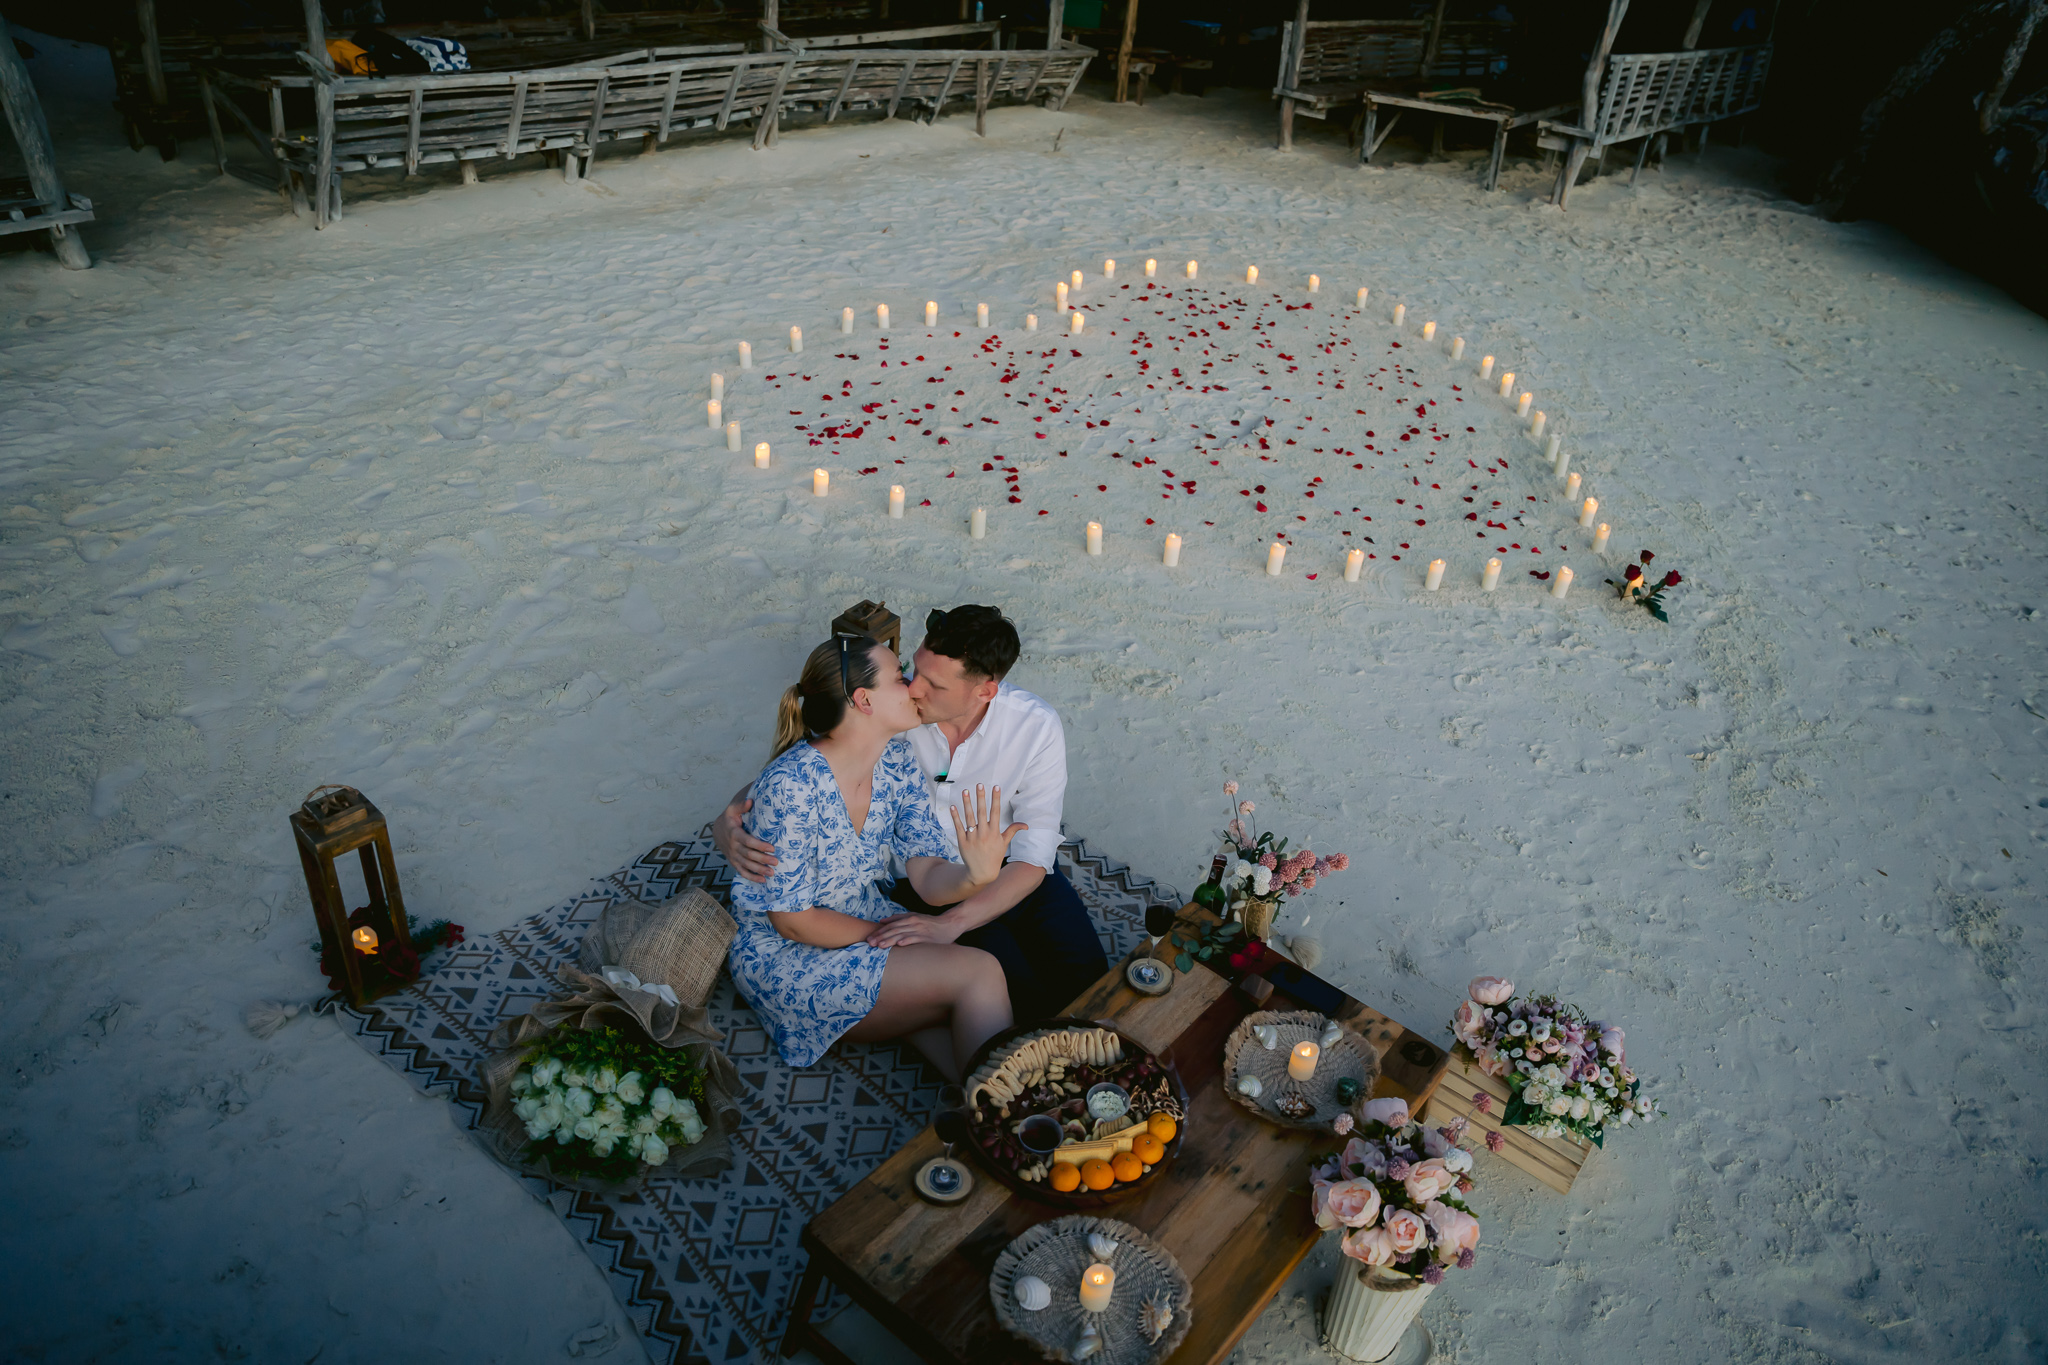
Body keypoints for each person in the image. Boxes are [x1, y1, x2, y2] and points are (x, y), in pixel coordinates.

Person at [717, 606, 1107, 1023]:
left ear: (984, 692)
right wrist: (727, 821)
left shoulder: (1034, 727)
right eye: (911, 670)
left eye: (933, 684)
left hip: (1010, 874)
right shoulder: (892, 717)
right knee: (1027, 1004)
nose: (915, 688)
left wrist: (965, 905)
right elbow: (810, 760)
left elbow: (1034, 854)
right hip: (924, 887)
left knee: (1096, 989)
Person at [726, 633, 1024, 1081]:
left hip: (858, 917)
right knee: (978, 973)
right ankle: (1006, 1113)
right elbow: (791, 920)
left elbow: (925, 871)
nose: (913, 686)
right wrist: (895, 936)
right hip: (786, 953)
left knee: (959, 1016)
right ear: (864, 700)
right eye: (900, 675)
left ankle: (994, 1116)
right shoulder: (790, 787)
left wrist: (975, 877)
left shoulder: (897, 760)